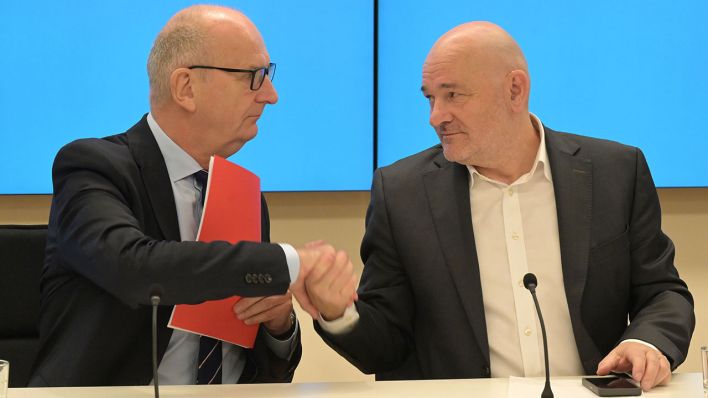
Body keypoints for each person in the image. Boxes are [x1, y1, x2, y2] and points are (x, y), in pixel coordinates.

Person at [310, 22, 694, 391]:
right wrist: (337, 313)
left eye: (453, 95)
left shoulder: (616, 172)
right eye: (430, 97)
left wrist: (648, 342)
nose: (436, 116)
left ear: (515, 89)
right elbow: (386, 345)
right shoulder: (401, 193)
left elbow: (663, 292)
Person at [29, 5, 355, 387]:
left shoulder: (244, 194)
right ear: (186, 87)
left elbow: (264, 369)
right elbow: (134, 268)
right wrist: (293, 262)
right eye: (254, 77)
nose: (271, 95)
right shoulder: (94, 167)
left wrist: (278, 325)